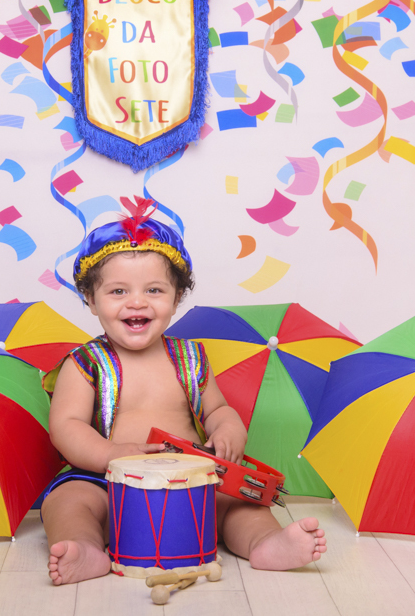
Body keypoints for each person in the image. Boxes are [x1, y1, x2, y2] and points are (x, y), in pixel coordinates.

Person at [41, 197, 326, 585]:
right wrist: (109, 454)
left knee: (238, 503)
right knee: (68, 502)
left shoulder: (191, 358)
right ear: (91, 300)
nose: (137, 302)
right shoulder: (85, 363)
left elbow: (218, 410)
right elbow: (66, 425)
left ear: (176, 298)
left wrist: (228, 431)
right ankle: (86, 548)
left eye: (154, 290)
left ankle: (266, 542)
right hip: (108, 482)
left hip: (193, 481)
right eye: (118, 291)